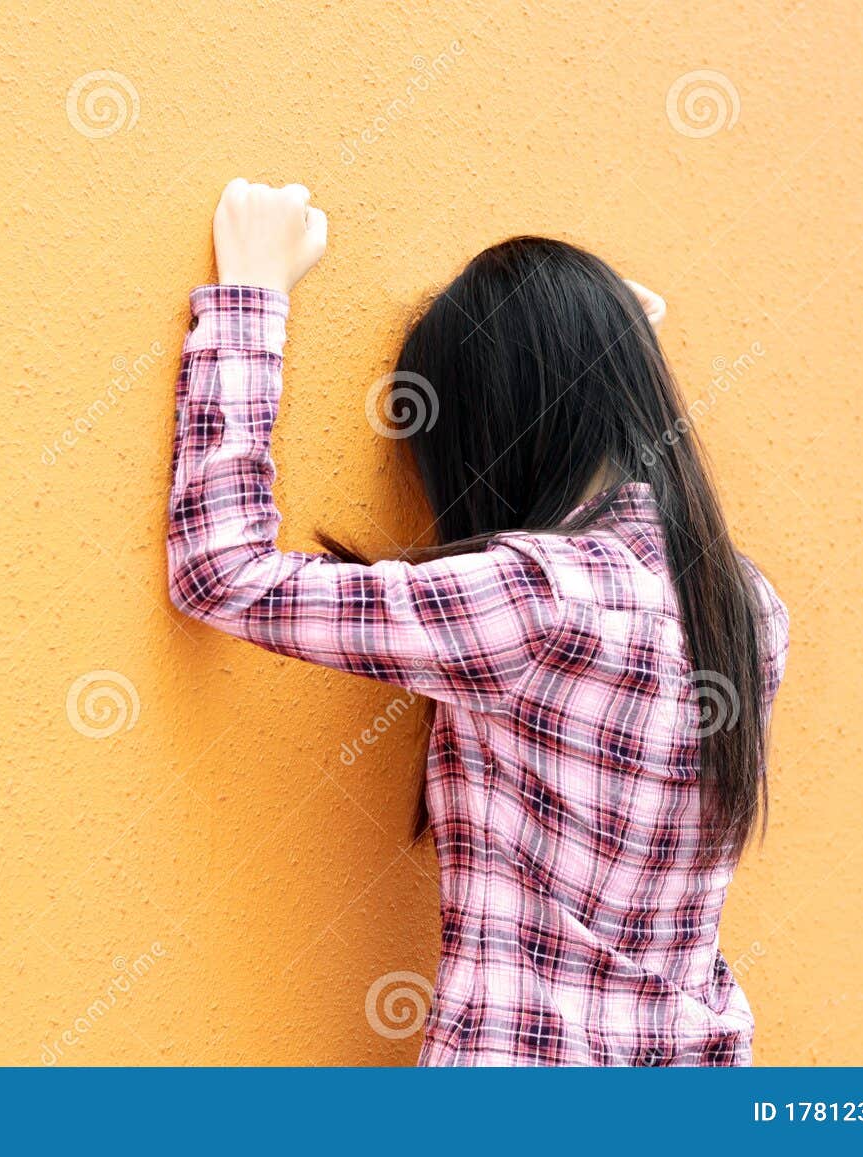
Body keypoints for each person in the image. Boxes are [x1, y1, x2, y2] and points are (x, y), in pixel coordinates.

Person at [167, 179, 789, 1065]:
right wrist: (607, 335)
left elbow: (218, 571)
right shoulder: (750, 608)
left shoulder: (532, 599)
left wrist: (250, 295)